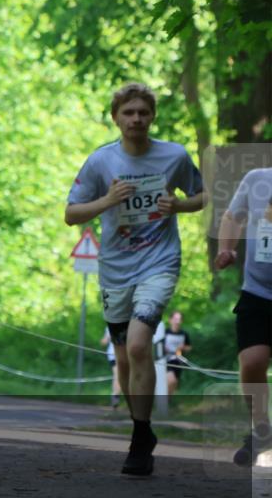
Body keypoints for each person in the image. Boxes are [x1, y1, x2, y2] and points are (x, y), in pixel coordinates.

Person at [65, 82, 206, 476]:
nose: (136, 119)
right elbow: (71, 214)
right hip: (115, 270)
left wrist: (179, 205)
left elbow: (204, 195)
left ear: (153, 116)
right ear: (116, 118)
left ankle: (140, 436)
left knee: (141, 344)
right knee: (125, 357)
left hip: (159, 262)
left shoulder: (174, 156)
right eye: (129, 113)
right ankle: (141, 429)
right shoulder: (101, 161)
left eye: (143, 112)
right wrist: (108, 201)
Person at [216, 167, 272, 466]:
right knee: (251, 362)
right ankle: (261, 430)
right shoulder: (257, 179)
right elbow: (232, 217)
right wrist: (226, 248)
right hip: (257, 292)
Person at [162, 310, 191, 395]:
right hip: (166, 361)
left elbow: (189, 347)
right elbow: (157, 346)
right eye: (175, 319)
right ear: (170, 320)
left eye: (179, 319)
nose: (177, 321)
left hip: (178, 361)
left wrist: (183, 347)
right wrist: (163, 348)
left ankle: (167, 400)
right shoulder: (164, 332)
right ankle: (162, 399)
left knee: (174, 384)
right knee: (172, 381)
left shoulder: (184, 334)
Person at [100, 328, 121, 409]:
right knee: (118, 375)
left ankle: (116, 396)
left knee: (120, 376)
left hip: (126, 354)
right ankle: (115, 396)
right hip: (114, 355)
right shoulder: (110, 326)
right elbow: (104, 341)